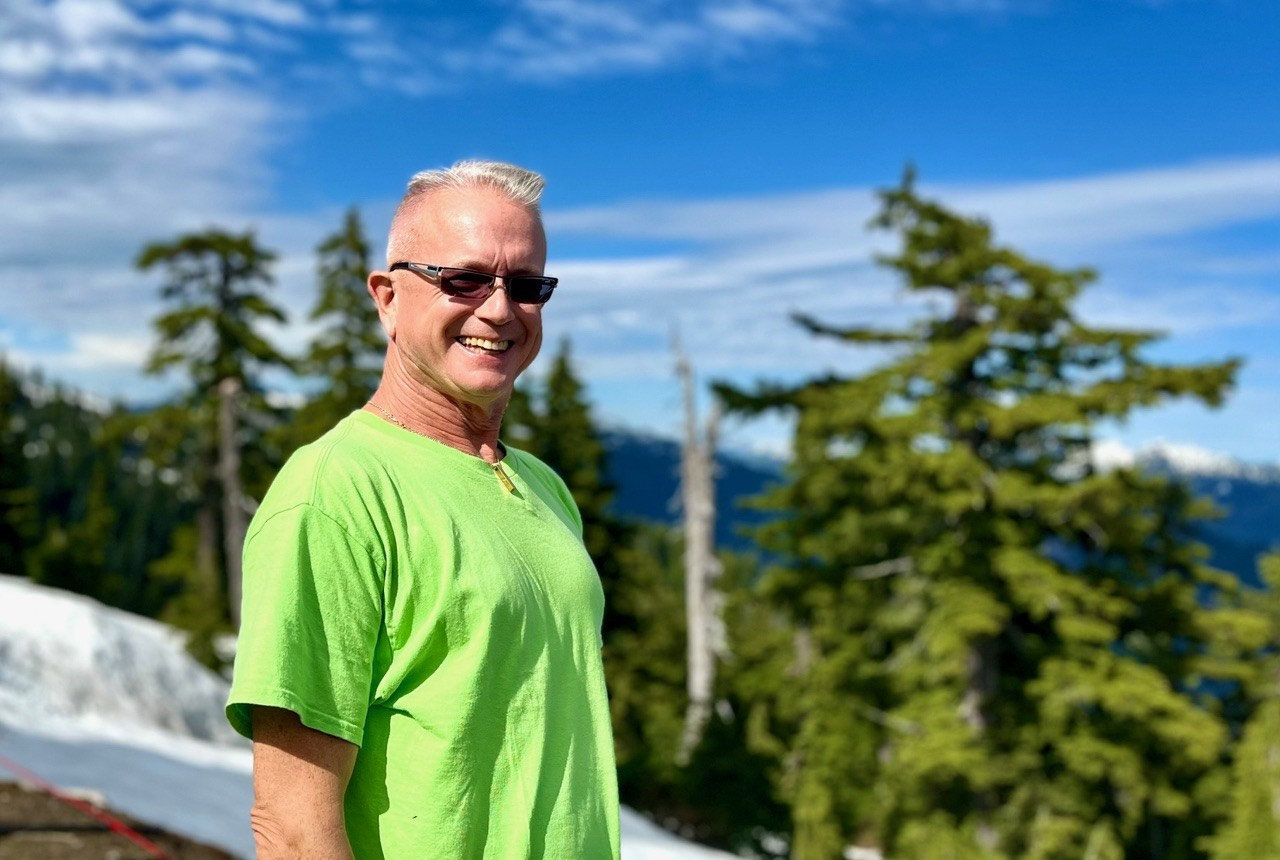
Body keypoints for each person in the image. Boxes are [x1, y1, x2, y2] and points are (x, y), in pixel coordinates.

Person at [225, 161, 621, 859]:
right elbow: (291, 828)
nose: (499, 309)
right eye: (463, 279)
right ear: (386, 297)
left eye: (527, 286)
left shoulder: (543, 487)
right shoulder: (335, 491)